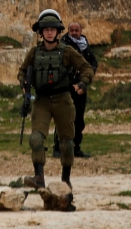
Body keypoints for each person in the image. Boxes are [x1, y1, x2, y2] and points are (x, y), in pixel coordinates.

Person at [18, 10, 94, 191]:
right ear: (41, 32)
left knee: (67, 143)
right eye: (46, 29)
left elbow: (86, 68)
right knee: (36, 139)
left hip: (63, 99)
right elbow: (22, 70)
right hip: (42, 100)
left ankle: (65, 179)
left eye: (53, 29)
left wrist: (83, 83)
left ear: (58, 31)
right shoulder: (34, 53)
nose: (49, 32)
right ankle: (39, 177)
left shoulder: (67, 52)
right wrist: (24, 82)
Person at [51, 22, 99, 159]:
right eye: (71, 30)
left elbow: (93, 63)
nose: (74, 32)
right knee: (64, 118)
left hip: (81, 87)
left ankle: (76, 147)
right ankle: (58, 148)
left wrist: (86, 79)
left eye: (76, 30)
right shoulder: (64, 45)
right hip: (67, 87)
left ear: (81, 31)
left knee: (79, 119)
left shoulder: (85, 45)